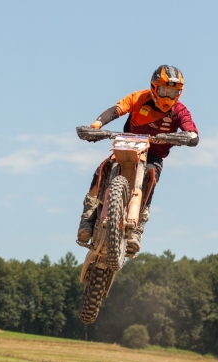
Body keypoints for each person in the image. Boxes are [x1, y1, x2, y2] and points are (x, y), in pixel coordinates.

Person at [77, 65, 200, 255]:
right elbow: (117, 109)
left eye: (173, 92)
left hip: (154, 154)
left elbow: (191, 130)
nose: (168, 97)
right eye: (164, 90)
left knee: (151, 176)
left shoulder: (180, 111)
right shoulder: (139, 98)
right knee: (103, 168)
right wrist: (96, 125)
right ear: (154, 87)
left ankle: (138, 229)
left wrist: (189, 136)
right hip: (129, 145)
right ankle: (87, 218)